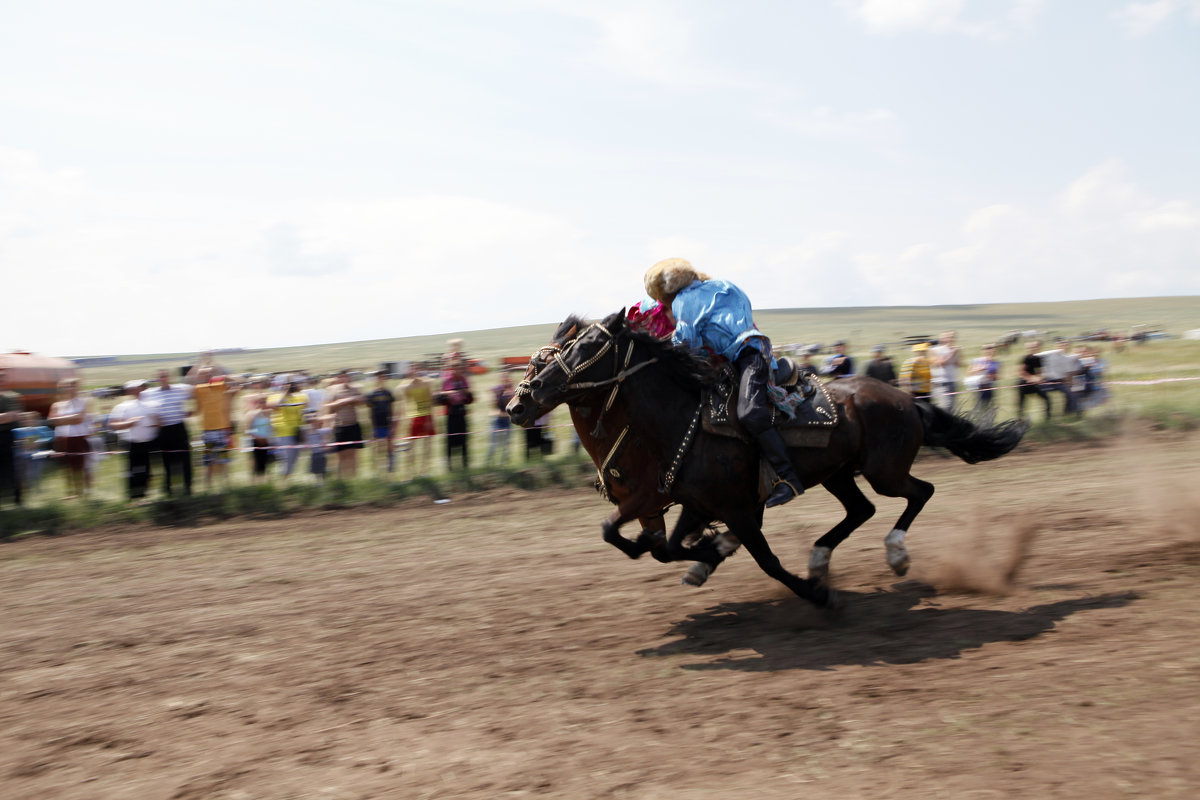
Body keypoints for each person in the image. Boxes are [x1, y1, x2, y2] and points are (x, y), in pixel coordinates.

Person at [643, 258, 802, 507]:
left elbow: (689, 344)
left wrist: (663, 350)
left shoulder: (683, 301)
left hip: (747, 357)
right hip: (750, 353)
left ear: (665, 294)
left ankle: (789, 478)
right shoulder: (723, 285)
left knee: (750, 413)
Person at [143, 369, 194, 497]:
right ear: (156, 379)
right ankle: (169, 489)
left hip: (179, 428)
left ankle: (188, 488)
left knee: (185, 458)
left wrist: (192, 411)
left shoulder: (179, 389)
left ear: (169, 377)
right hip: (163, 430)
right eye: (160, 377)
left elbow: (196, 393)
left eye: (165, 376)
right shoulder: (150, 394)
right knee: (166, 460)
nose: (163, 379)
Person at [107, 379, 159, 501]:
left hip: (149, 443)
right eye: (134, 389)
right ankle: (134, 497)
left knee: (147, 471)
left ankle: (145, 496)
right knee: (133, 471)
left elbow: (158, 423)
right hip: (131, 444)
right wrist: (129, 423)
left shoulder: (152, 404)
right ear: (129, 391)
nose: (138, 391)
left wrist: (155, 422)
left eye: (140, 388)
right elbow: (113, 425)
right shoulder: (122, 406)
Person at [192, 366, 238, 491]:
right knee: (208, 463)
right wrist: (189, 413)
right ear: (199, 377)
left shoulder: (220, 385)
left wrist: (223, 376)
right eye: (203, 374)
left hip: (222, 430)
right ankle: (208, 489)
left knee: (224, 461)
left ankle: (227, 487)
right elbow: (197, 409)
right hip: (206, 431)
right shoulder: (198, 389)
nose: (206, 376)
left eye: (209, 374)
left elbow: (237, 383)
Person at [47, 377, 94, 499]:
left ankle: (86, 492)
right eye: (68, 386)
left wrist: (62, 419)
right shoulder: (57, 405)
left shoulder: (84, 402)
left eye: (74, 386)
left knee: (83, 466)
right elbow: (52, 421)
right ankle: (71, 493)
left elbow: (79, 419)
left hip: (79, 437)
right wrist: (71, 419)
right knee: (67, 467)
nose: (71, 389)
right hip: (62, 438)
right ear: (62, 389)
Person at [325, 369, 365, 479]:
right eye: (341, 377)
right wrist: (341, 402)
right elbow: (328, 406)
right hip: (340, 426)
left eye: (346, 377)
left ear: (349, 378)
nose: (344, 379)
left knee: (352, 455)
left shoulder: (354, 389)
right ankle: (341, 480)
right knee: (341, 456)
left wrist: (352, 399)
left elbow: (363, 400)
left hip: (353, 425)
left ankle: (352, 479)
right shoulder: (334, 391)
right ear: (338, 379)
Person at [267, 376, 307, 479]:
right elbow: (274, 406)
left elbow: (305, 405)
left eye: (291, 384)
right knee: (287, 457)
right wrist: (285, 393)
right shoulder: (274, 396)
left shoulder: (300, 396)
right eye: (286, 384)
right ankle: (283, 479)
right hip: (283, 432)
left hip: (297, 431)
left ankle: (287, 478)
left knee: (294, 457)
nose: (290, 386)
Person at [439, 359, 474, 471]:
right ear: (451, 369)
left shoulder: (464, 380)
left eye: (459, 368)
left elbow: (470, 397)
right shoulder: (446, 381)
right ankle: (449, 467)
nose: (457, 370)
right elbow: (440, 398)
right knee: (450, 441)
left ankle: (465, 465)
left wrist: (464, 393)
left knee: (463, 439)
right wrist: (449, 394)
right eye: (455, 368)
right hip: (450, 415)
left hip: (462, 414)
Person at [402, 366, 436, 477]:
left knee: (427, 445)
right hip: (414, 417)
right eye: (411, 371)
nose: (414, 373)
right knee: (412, 446)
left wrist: (429, 419)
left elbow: (430, 401)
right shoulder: (407, 387)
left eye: (415, 370)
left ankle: (424, 471)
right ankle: (411, 473)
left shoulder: (425, 384)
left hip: (427, 415)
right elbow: (406, 404)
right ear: (409, 373)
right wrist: (407, 419)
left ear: (418, 372)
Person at [365, 370, 397, 473]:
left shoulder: (388, 393)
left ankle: (390, 466)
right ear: (375, 379)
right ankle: (378, 467)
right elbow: (370, 412)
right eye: (378, 377)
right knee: (378, 446)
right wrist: (372, 427)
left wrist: (392, 425)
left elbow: (392, 409)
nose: (380, 379)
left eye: (382, 377)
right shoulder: (371, 394)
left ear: (385, 379)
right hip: (377, 424)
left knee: (389, 445)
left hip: (387, 423)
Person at [13, 412, 53, 493]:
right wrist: (26, 442)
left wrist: (38, 441)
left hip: (37, 456)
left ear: (36, 420)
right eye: (26, 419)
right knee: (27, 473)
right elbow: (16, 441)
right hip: (24, 456)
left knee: (36, 473)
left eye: (31, 419)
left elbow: (51, 436)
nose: (28, 421)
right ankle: (29, 488)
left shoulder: (42, 429)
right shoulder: (18, 431)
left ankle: (36, 488)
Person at [0, 372, 22, 507]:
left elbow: (11, 416)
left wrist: (5, 417)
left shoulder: (11, 396)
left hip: (7, 436)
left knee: (12, 469)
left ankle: (17, 501)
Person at [242, 394, 275, 482]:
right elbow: (247, 430)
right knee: (255, 464)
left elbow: (270, 427)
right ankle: (254, 482)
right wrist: (257, 437)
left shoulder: (269, 413)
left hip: (266, 441)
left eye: (265, 401)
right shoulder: (252, 414)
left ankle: (263, 482)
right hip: (255, 442)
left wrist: (267, 438)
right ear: (258, 403)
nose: (264, 404)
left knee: (265, 463)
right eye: (262, 402)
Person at [966, 344, 1001, 424]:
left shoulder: (996, 362)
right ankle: (978, 425)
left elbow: (998, 376)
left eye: (992, 348)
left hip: (990, 387)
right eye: (987, 348)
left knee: (990, 408)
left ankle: (988, 426)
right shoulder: (977, 361)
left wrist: (991, 376)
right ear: (983, 351)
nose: (989, 350)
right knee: (979, 408)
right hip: (979, 388)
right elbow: (969, 372)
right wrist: (979, 369)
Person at [1017, 339, 1051, 421]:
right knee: (1022, 402)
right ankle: (1020, 418)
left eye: (1036, 347)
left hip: (1035, 383)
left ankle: (1047, 417)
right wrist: (1031, 378)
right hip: (1024, 383)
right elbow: (1021, 372)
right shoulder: (1026, 358)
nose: (1034, 348)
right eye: (1032, 347)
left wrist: (1040, 378)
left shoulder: (1039, 358)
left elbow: (1040, 371)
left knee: (1046, 398)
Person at [487, 370, 516, 467]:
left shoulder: (512, 390)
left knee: (506, 444)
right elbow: (493, 406)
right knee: (493, 444)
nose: (504, 379)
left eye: (506, 377)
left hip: (507, 420)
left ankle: (503, 464)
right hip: (498, 420)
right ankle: (489, 463)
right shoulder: (497, 390)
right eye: (503, 377)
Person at [930, 330, 962, 413]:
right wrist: (952, 353)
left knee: (951, 407)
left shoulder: (955, 349)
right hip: (940, 383)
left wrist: (958, 355)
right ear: (943, 338)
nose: (951, 339)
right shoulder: (936, 350)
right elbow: (941, 363)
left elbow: (958, 364)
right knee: (945, 407)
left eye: (953, 337)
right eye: (948, 337)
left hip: (952, 381)